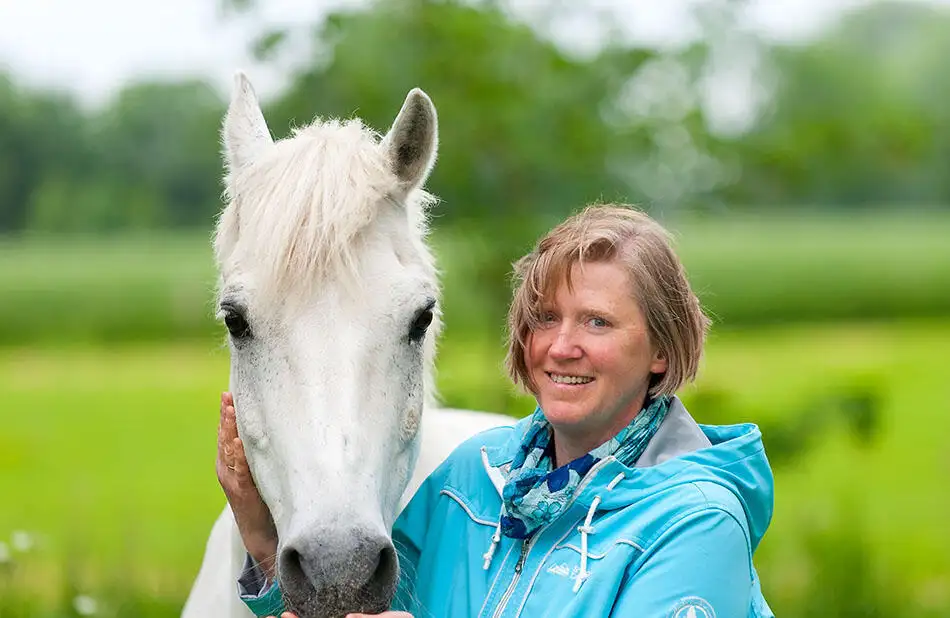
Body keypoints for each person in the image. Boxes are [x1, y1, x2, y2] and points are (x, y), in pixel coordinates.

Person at [217, 204, 776, 618]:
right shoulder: (472, 478)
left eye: (597, 322)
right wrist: (262, 540)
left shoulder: (695, 521)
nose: (562, 346)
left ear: (661, 350)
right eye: (546, 318)